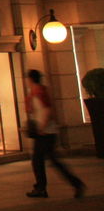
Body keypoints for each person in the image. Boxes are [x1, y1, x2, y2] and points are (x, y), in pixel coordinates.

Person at [25, 69, 85, 198]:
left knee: (43, 160)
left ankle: (73, 184)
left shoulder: (39, 92)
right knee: (41, 160)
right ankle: (42, 187)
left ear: (30, 79)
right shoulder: (39, 91)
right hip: (45, 132)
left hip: (45, 133)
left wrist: (42, 127)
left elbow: (47, 110)